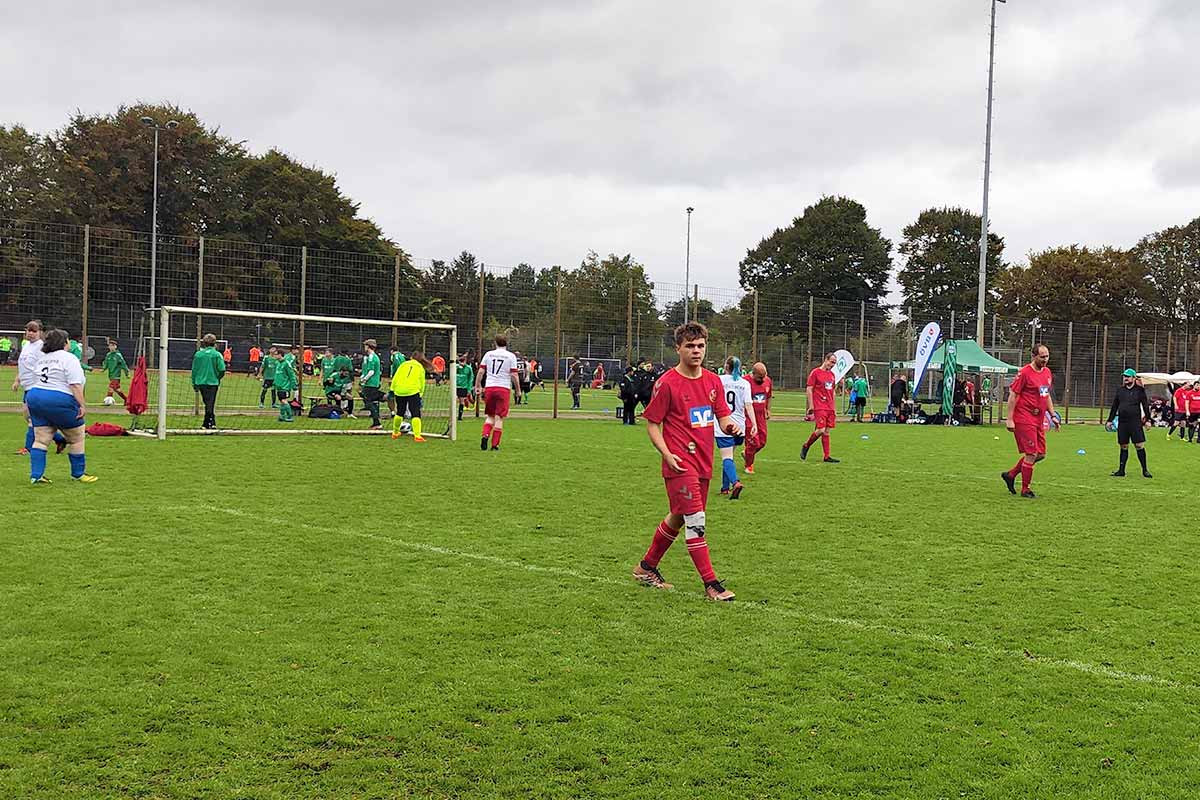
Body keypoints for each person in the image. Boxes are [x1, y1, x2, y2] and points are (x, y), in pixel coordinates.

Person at [631, 321, 740, 602]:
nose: (696, 351)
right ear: (678, 348)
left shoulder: (713, 381)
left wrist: (730, 427)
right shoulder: (667, 383)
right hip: (680, 464)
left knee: (679, 516)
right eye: (690, 346)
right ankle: (711, 585)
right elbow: (653, 423)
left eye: (700, 346)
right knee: (696, 519)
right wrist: (667, 454)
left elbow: (722, 417)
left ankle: (646, 568)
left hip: (704, 462)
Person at [25, 329, 96, 484]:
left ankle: (36, 475)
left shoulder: (42, 358)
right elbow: (75, 385)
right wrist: (82, 405)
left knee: (41, 439)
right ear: (64, 342)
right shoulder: (69, 358)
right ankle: (79, 473)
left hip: (35, 396)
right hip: (58, 398)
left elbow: (35, 380)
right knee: (77, 438)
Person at [1001, 344, 1057, 499]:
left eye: (1047, 356)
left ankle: (1011, 475)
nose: (1045, 360)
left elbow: (1046, 395)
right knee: (1031, 453)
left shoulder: (1046, 372)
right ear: (1033, 356)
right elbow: (1013, 395)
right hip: (1024, 418)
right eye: (1042, 357)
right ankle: (1026, 490)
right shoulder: (1024, 373)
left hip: (1039, 419)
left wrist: (1052, 415)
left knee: (1041, 454)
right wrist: (1010, 419)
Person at [13, 320, 65, 456]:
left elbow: (44, 366)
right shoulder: (26, 346)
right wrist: (17, 380)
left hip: (35, 387)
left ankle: (28, 448)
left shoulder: (41, 347)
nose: (30, 333)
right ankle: (60, 439)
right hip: (27, 386)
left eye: (33, 331)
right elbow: (23, 365)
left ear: (40, 332)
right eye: (28, 330)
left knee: (32, 418)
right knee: (30, 417)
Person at [718, 356, 757, 499]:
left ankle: (736, 483)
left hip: (723, 424)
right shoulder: (744, 383)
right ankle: (724, 488)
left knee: (726, 456)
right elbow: (748, 405)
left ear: (726, 367)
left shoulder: (719, 380)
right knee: (729, 456)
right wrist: (754, 424)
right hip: (739, 425)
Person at [476, 334, 521, 451]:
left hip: (490, 387)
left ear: (495, 343)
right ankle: (495, 445)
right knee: (499, 418)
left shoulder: (488, 354)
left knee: (490, 416)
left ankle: (485, 436)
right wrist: (518, 390)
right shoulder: (511, 356)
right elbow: (514, 375)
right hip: (503, 388)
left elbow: (481, 371)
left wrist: (478, 385)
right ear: (507, 343)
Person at [1106, 369, 1152, 478]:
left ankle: (1145, 470)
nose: (1125, 378)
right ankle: (1121, 471)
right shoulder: (1120, 390)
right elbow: (1114, 406)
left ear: (1133, 378)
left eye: (1128, 376)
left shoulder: (1139, 390)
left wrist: (1148, 420)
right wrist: (1109, 420)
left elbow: (1145, 405)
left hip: (1135, 422)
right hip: (1123, 422)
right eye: (1124, 376)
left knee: (1139, 445)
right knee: (1123, 445)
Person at [801, 352, 840, 463]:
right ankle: (806, 445)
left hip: (829, 407)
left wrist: (834, 408)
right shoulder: (815, 372)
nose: (832, 365)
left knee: (827, 432)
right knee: (820, 430)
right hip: (819, 406)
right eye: (831, 362)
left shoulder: (832, 375)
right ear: (826, 360)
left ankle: (826, 456)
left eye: (834, 363)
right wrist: (811, 405)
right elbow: (809, 389)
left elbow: (832, 392)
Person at [391, 350, 434, 442]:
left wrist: (393, 389)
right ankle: (417, 436)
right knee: (415, 413)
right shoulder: (420, 368)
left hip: (399, 390)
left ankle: (395, 433)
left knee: (400, 412)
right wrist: (420, 394)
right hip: (412, 391)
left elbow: (396, 377)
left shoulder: (403, 364)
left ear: (411, 357)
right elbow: (422, 383)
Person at [191, 333, 226, 430]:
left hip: (201, 382)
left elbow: (194, 370)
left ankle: (209, 423)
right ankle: (208, 423)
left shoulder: (198, 354)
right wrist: (218, 377)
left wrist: (194, 382)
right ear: (215, 343)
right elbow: (222, 369)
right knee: (210, 403)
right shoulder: (217, 354)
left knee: (208, 403)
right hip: (212, 382)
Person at [742, 361, 772, 473]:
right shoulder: (745, 382)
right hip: (748, 416)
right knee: (753, 441)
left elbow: (768, 396)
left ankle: (747, 454)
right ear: (753, 374)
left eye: (764, 376)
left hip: (761, 416)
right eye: (760, 377)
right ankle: (749, 466)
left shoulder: (768, 381)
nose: (763, 380)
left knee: (762, 442)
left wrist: (768, 409)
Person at [359, 339, 384, 430]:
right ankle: (385, 396)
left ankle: (377, 423)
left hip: (371, 383)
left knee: (368, 402)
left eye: (365, 345)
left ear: (368, 346)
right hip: (371, 383)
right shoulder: (371, 357)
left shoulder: (372, 357)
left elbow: (371, 371)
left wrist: (364, 380)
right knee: (371, 400)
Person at [273, 350, 297, 422]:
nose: (275, 356)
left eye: (276, 354)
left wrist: (294, 385)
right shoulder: (277, 363)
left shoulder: (286, 363)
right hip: (279, 386)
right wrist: (275, 383)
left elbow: (291, 375)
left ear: (280, 355)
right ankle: (282, 416)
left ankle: (290, 416)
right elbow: (277, 375)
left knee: (284, 400)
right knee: (281, 401)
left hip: (285, 386)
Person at [455, 353, 475, 421]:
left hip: (463, 387)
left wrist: (469, 389)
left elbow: (470, 379)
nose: (461, 363)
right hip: (455, 387)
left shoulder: (469, 368)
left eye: (463, 361)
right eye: (460, 361)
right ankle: (452, 415)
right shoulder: (455, 367)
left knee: (462, 401)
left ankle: (460, 416)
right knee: (453, 400)